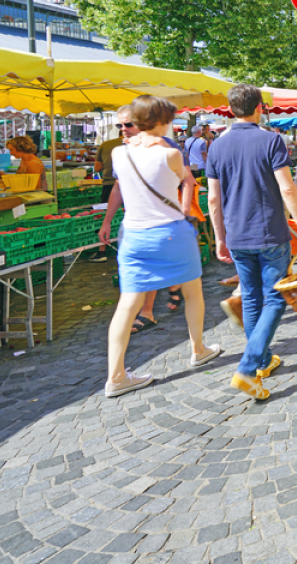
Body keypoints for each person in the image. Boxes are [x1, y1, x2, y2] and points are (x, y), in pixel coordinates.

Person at [103, 95, 220, 398]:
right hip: (169, 231)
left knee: (127, 305)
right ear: (161, 121)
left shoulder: (119, 153)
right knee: (192, 292)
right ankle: (198, 348)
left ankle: (115, 376)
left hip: (133, 234)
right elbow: (187, 182)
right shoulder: (169, 155)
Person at [208, 84, 297, 400]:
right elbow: (287, 189)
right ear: (259, 108)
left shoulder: (216, 146)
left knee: (253, 298)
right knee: (275, 299)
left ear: (231, 110)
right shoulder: (271, 140)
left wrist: (219, 237)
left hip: (238, 234)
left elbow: (213, 199)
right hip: (270, 233)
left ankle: (263, 361)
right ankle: (247, 368)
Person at [92, 108, 137, 262]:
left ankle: (102, 250)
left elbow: (97, 168)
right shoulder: (119, 152)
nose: (124, 129)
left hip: (108, 183)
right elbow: (118, 187)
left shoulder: (106, 145)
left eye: (128, 125)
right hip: (134, 223)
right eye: (120, 126)